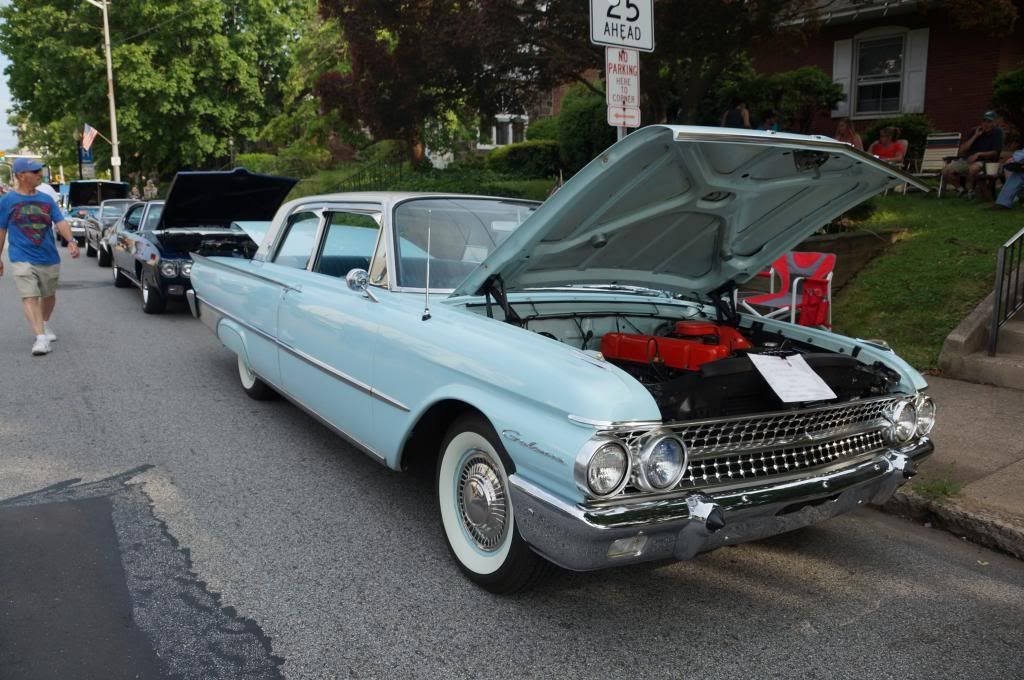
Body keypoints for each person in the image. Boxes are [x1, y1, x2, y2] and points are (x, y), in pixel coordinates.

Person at [0, 158, 80, 355]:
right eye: (34, 171)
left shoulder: (46, 200)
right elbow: (1, 230)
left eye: (39, 170)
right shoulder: (7, 201)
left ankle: (44, 323)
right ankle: (40, 338)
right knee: (29, 295)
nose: (39, 174)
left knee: (49, 295)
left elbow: (60, 222)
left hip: (48, 257)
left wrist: (71, 241)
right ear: (20, 175)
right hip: (21, 256)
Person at [942, 111, 1005, 199]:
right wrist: (975, 136)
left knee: (973, 169)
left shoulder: (997, 132)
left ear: (994, 122)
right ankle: (961, 190)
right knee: (946, 170)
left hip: (985, 161)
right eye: (984, 121)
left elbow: (995, 152)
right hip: (967, 160)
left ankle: (971, 191)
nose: (986, 124)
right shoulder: (974, 131)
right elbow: (962, 150)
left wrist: (978, 154)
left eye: (989, 122)